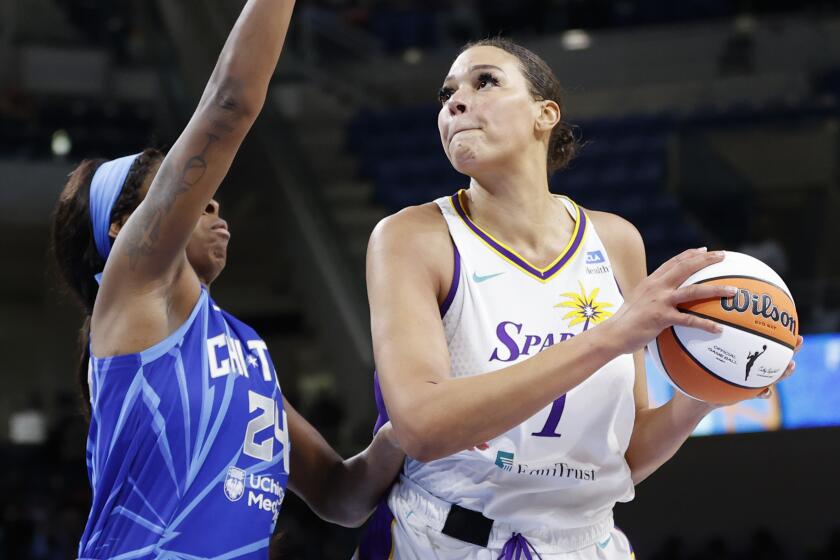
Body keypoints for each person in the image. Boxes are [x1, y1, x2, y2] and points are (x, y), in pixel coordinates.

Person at [357, 37, 801, 559]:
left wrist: (709, 387)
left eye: (485, 82)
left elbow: (623, 455)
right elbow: (424, 429)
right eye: (446, 93)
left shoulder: (615, 241)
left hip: (588, 542)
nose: (454, 102)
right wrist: (611, 337)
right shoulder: (411, 237)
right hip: (444, 540)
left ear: (545, 114)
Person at [50, 1, 403, 557]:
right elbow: (229, 104)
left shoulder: (244, 347)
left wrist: (410, 426)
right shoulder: (132, 292)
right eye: (169, 192)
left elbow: (340, 496)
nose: (208, 199)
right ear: (123, 231)